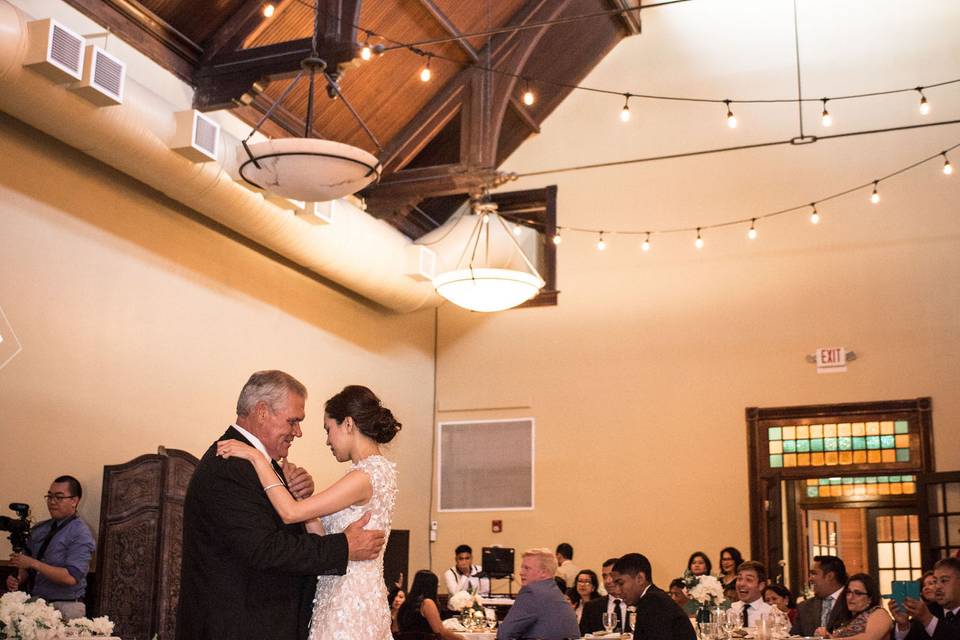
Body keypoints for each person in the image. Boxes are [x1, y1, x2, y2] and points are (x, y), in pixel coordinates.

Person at [176, 371, 386, 640]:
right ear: (262, 412)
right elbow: (265, 549)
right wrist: (345, 546)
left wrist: (298, 495)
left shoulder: (254, 464)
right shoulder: (229, 465)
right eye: (293, 421)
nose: (297, 432)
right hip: (238, 627)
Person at [5, 475, 96, 621]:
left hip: (66, 608)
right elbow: (27, 563)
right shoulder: (40, 528)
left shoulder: (81, 533)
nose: (52, 502)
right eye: (49, 496)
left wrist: (33, 563)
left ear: (74, 501)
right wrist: (19, 577)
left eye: (59, 497)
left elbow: (71, 577)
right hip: (35, 604)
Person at [497, 548, 580, 640]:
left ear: (543, 572)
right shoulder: (555, 593)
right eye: (522, 568)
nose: (521, 573)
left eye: (526, 568)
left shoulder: (531, 592)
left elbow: (504, 633)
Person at [612, 553, 696, 640]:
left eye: (621, 583)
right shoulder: (656, 597)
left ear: (640, 579)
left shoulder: (653, 602)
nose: (617, 591)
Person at [891, 557, 960, 640]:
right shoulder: (929, 610)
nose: (937, 586)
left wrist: (927, 619)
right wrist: (903, 625)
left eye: (944, 580)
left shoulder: (925, 615)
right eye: (935, 581)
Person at [816, 573, 892, 640]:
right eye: (848, 592)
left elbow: (870, 638)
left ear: (870, 598)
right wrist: (826, 636)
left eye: (858, 593)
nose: (850, 597)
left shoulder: (879, 613)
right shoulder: (846, 617)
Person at [397, 570, 466, 640]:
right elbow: (441, 632)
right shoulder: (427, 603)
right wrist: (462, 638)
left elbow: (395, 630)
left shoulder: (405, 604)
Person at [792, 555, 850, 637]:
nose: (810, 579)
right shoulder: (804, 607)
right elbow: (794, 637)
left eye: (814, 573)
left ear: (830, 576)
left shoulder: (853, 602)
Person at [581, 558, 630, 635]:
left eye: (611, 575)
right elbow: (583, 636)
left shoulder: (638, 605)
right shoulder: (591, 607)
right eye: (604, 577)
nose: (607, 581)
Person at [729, 561, 775, 628]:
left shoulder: (772, 614)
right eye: (739, 579)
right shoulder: (730, 611)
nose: (742, 584)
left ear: (761, 586)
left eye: (749, 580)